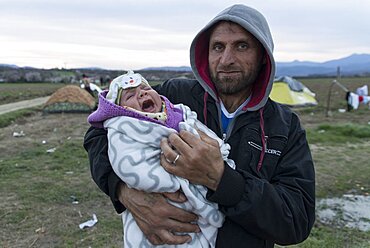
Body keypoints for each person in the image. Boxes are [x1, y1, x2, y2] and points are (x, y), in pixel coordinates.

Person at [84, 4, 315, 247]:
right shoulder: (173, 96)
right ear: (206, 54)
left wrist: (222, 179)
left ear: (263, 56)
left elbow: (296, 220)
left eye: (242, 46)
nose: (226, 59)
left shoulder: (284, 126)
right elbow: (99, 132)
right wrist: (123, 191)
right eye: (218, 47)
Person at [87, 70, 236, 247]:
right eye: (130, 95)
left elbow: (200, 131)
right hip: (166, 198)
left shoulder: (178, 111)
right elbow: (118, 153)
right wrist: (120, 188)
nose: (142, 93)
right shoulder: (125, 124)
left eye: (144, 88)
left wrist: (218, 157)